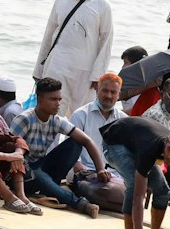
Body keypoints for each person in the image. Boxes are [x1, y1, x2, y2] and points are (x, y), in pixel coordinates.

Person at [15, 77, 105, 216]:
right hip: (20, 172)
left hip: (39, 166)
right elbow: (9, 150)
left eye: (59, 99)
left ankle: (50, 188)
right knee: (40, 175)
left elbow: (87, 141)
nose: (58, 104)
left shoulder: (56, 120)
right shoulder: (24, 120)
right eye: (53, 99)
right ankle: (80, 204)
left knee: (75, 143)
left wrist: (100, 169)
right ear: (40, 99)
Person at [34, 0, 113, 110]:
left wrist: (98, 75)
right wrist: (38, 70)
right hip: (56, 65)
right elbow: (48, 35)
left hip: (84, 71)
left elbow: (106, 41)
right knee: (53, 109)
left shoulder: (101, 5)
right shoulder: (60, 0)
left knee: (80, 112)